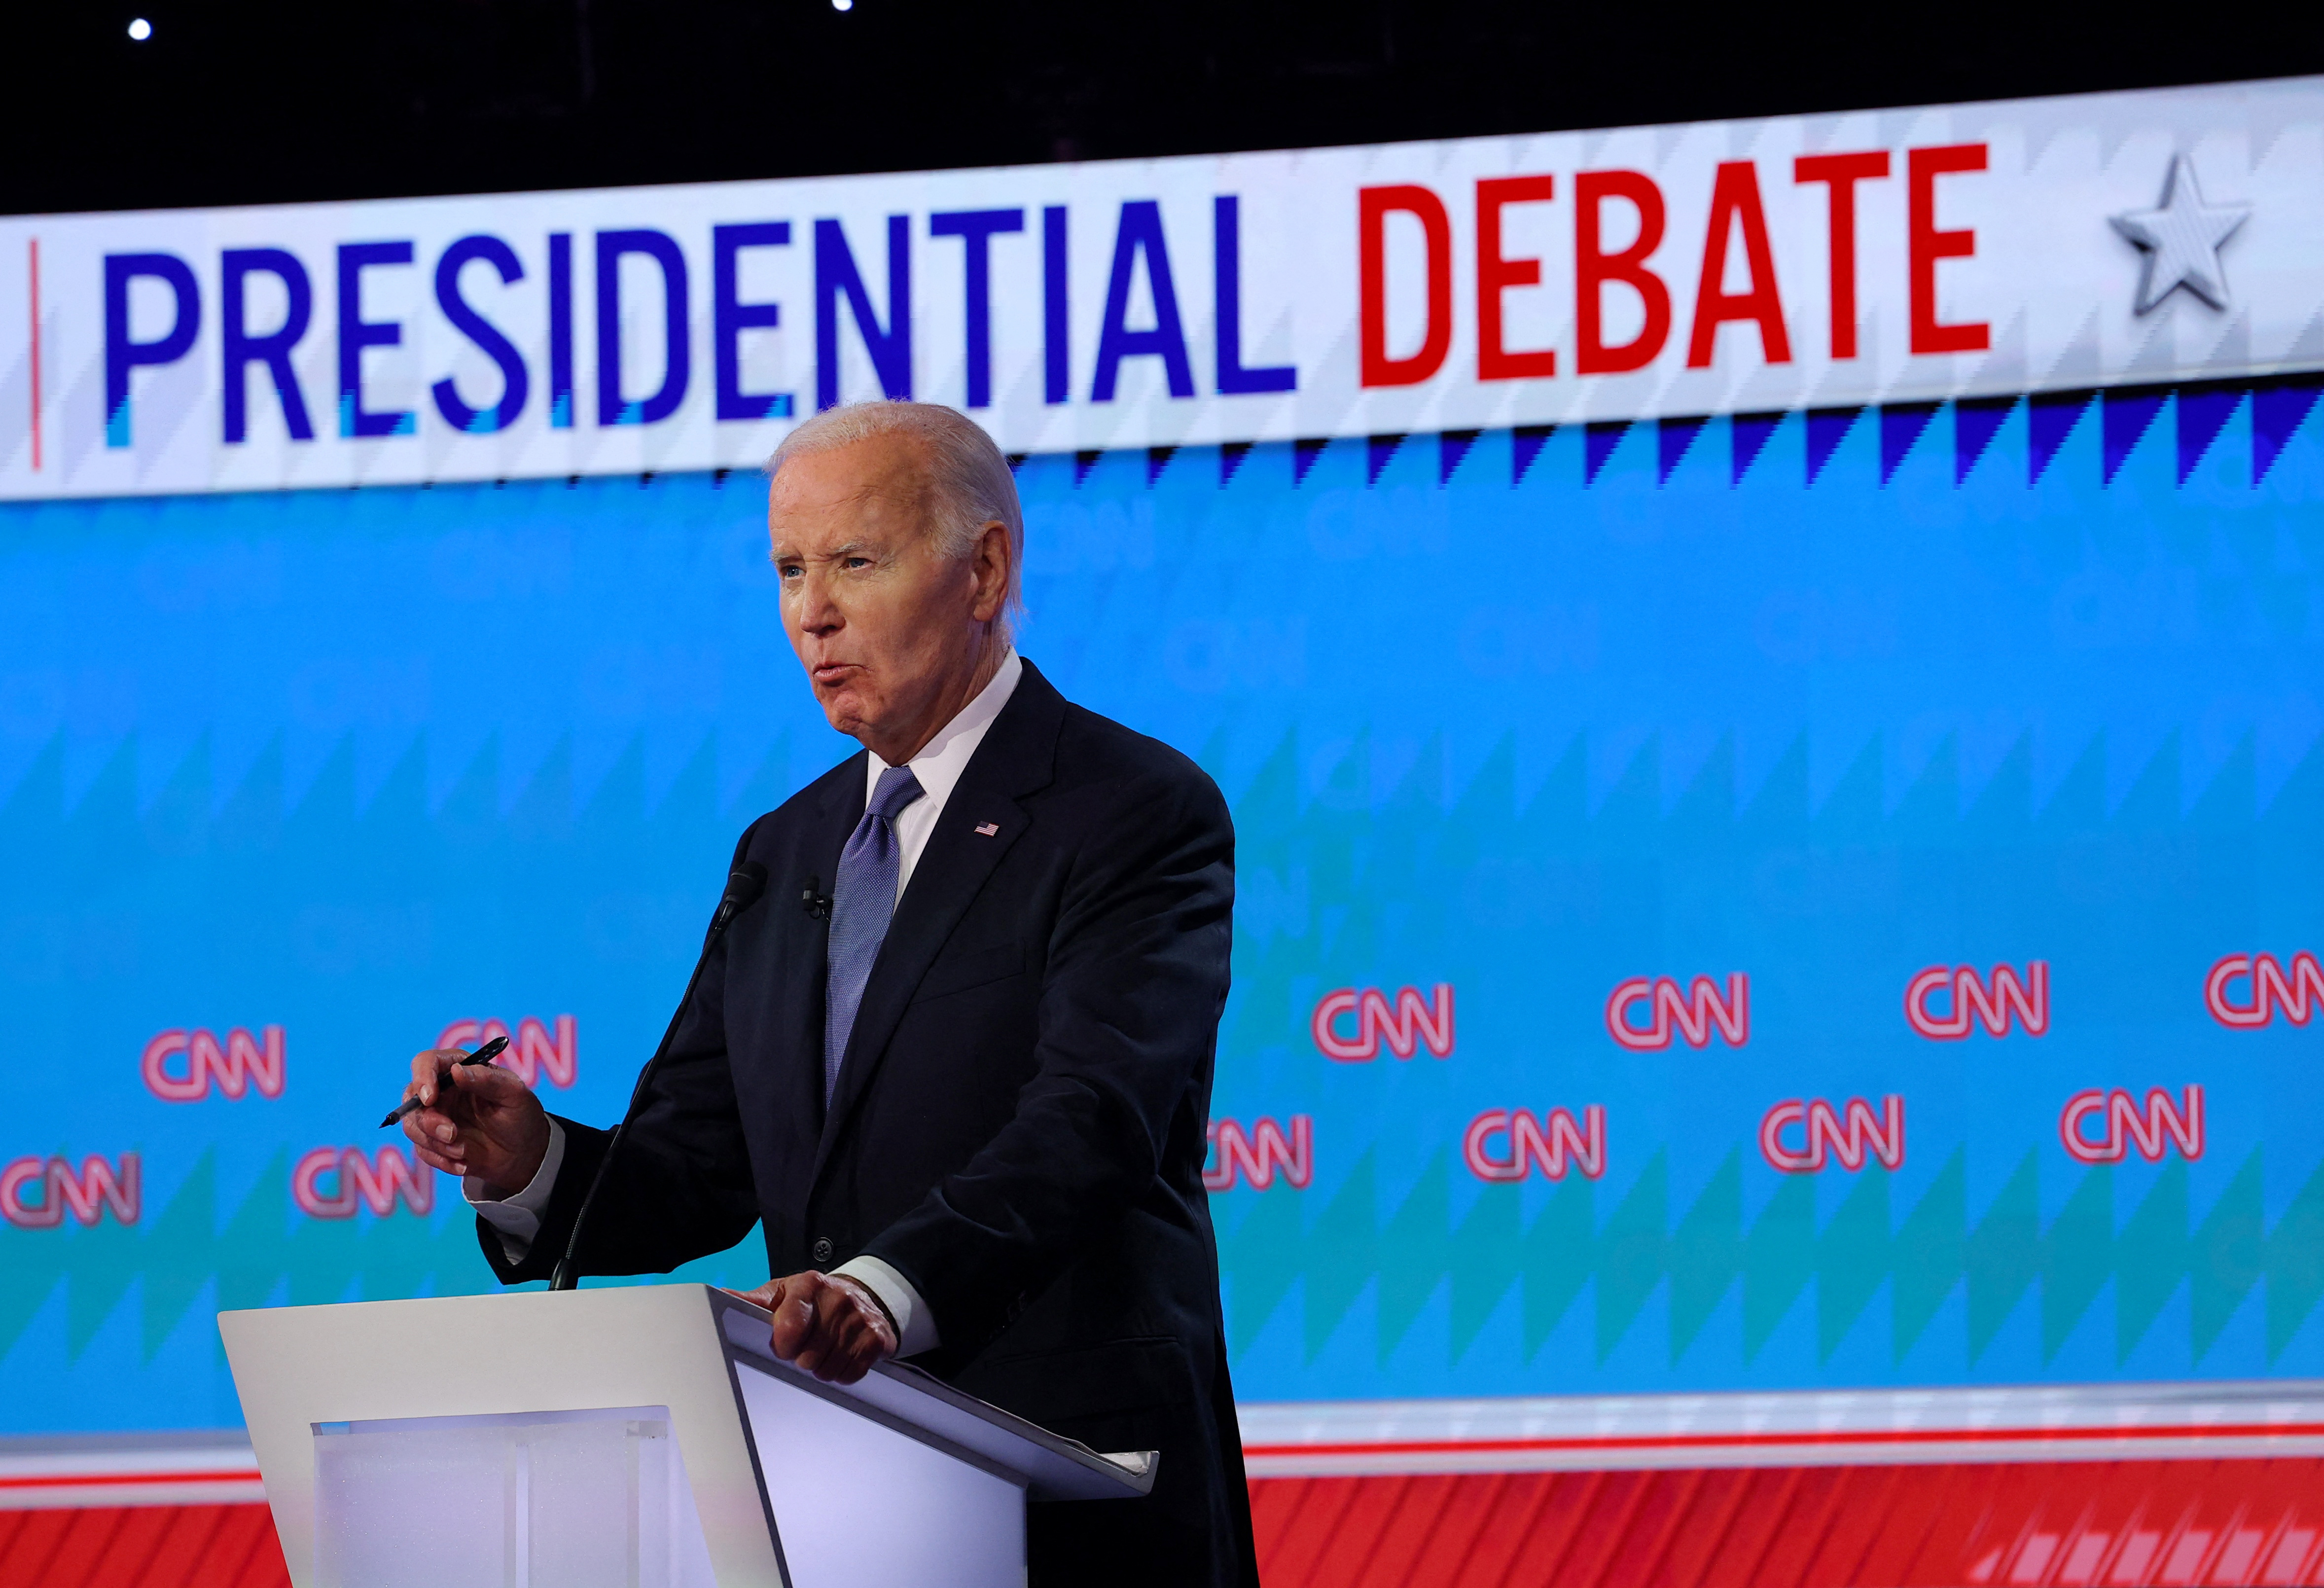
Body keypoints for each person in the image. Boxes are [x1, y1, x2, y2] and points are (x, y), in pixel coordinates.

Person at [398, 399, 1258, 1588]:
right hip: (829, 1497)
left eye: (855, 561)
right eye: (790, 569)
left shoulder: (1128, 809)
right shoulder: (786, 848)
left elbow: (1095, 1120)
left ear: (983, 570)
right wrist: (529, 1159)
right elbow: (696, 1169)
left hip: (1073, 1491)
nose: (812, 611)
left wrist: (878, 1292)